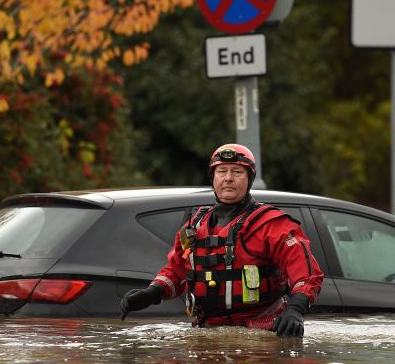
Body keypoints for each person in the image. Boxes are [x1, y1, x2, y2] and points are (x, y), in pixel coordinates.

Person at [120, 143, 324, 338]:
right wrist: (152, 293)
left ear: (249, 179)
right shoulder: (195, 226)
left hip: (263, 330)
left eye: (237, 172)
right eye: (221, 171)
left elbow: (307, 275)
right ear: (213, 177)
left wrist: (295, 309)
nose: (228, 179)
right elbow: (176, 271)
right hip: (206, 331)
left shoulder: (272, 225)